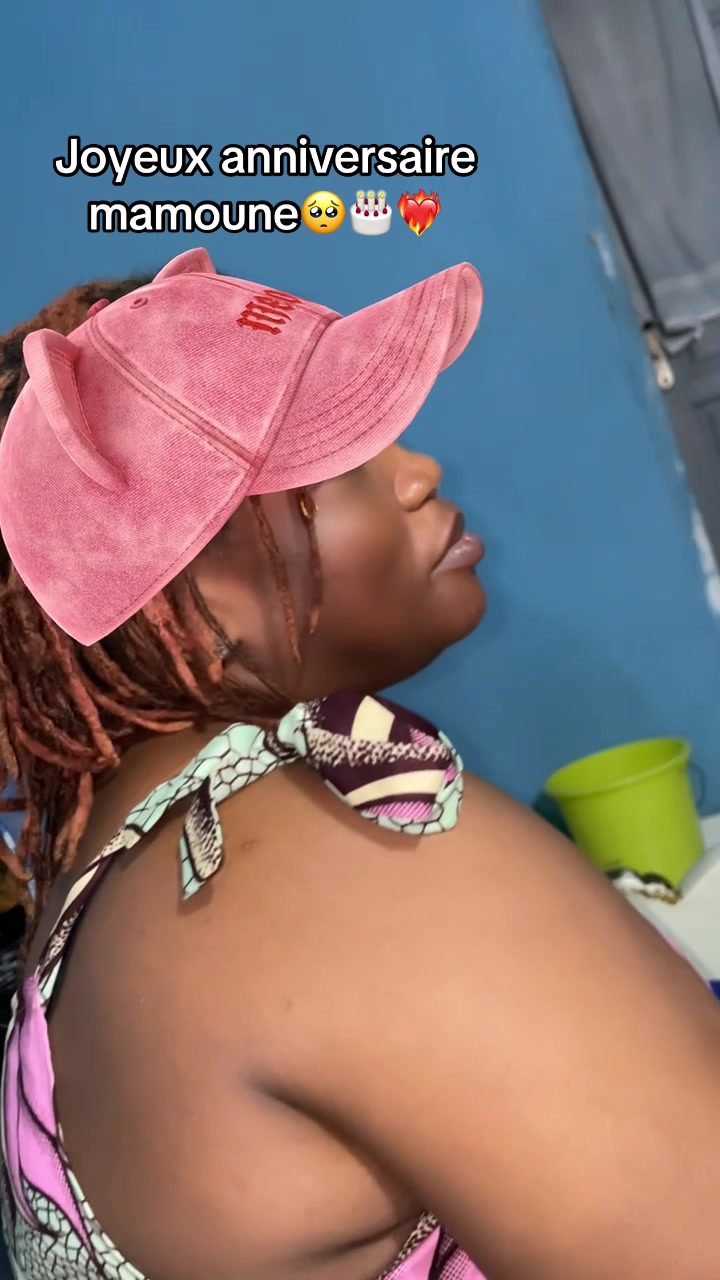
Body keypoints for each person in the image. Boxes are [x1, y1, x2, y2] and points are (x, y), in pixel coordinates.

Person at [0, 248, 719, 1280]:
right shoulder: (358, 860)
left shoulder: (90, 911)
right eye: (338, 459)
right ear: (185, 592)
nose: (418, 470)